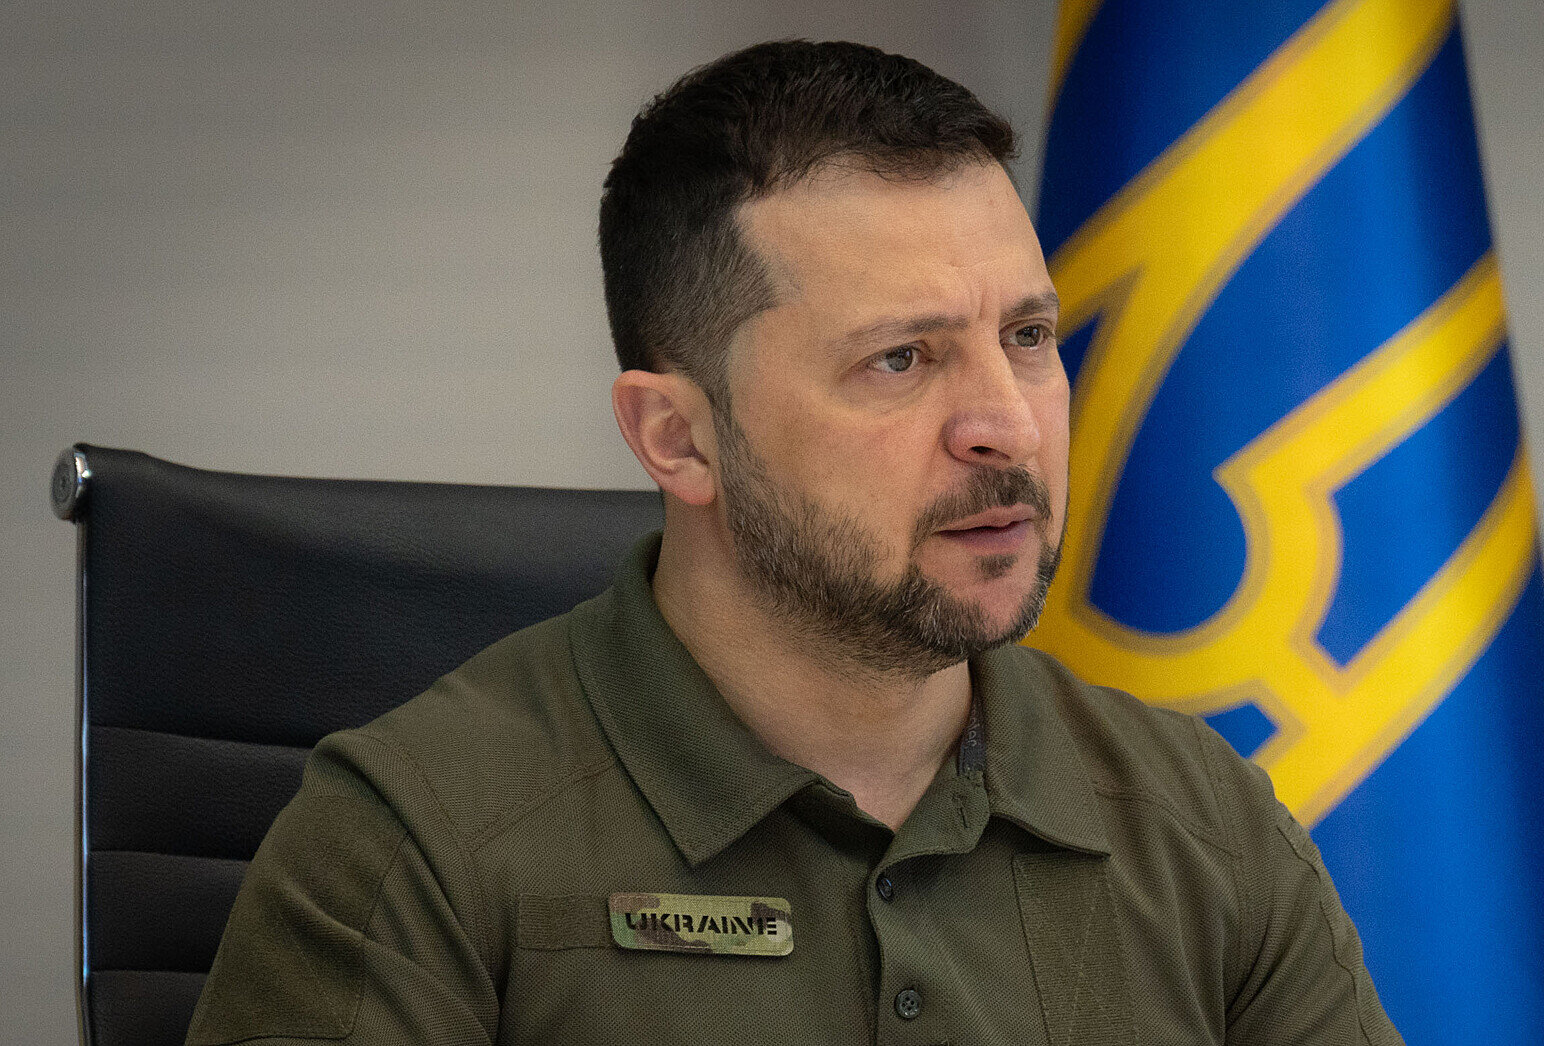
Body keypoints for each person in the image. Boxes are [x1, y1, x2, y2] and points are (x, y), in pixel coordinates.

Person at [186, 40, 1402, 1045]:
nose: (1008, 423)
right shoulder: (415, 844)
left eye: (1028, 337)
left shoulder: (1204, 825)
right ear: (678, 437)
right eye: (901, 358)